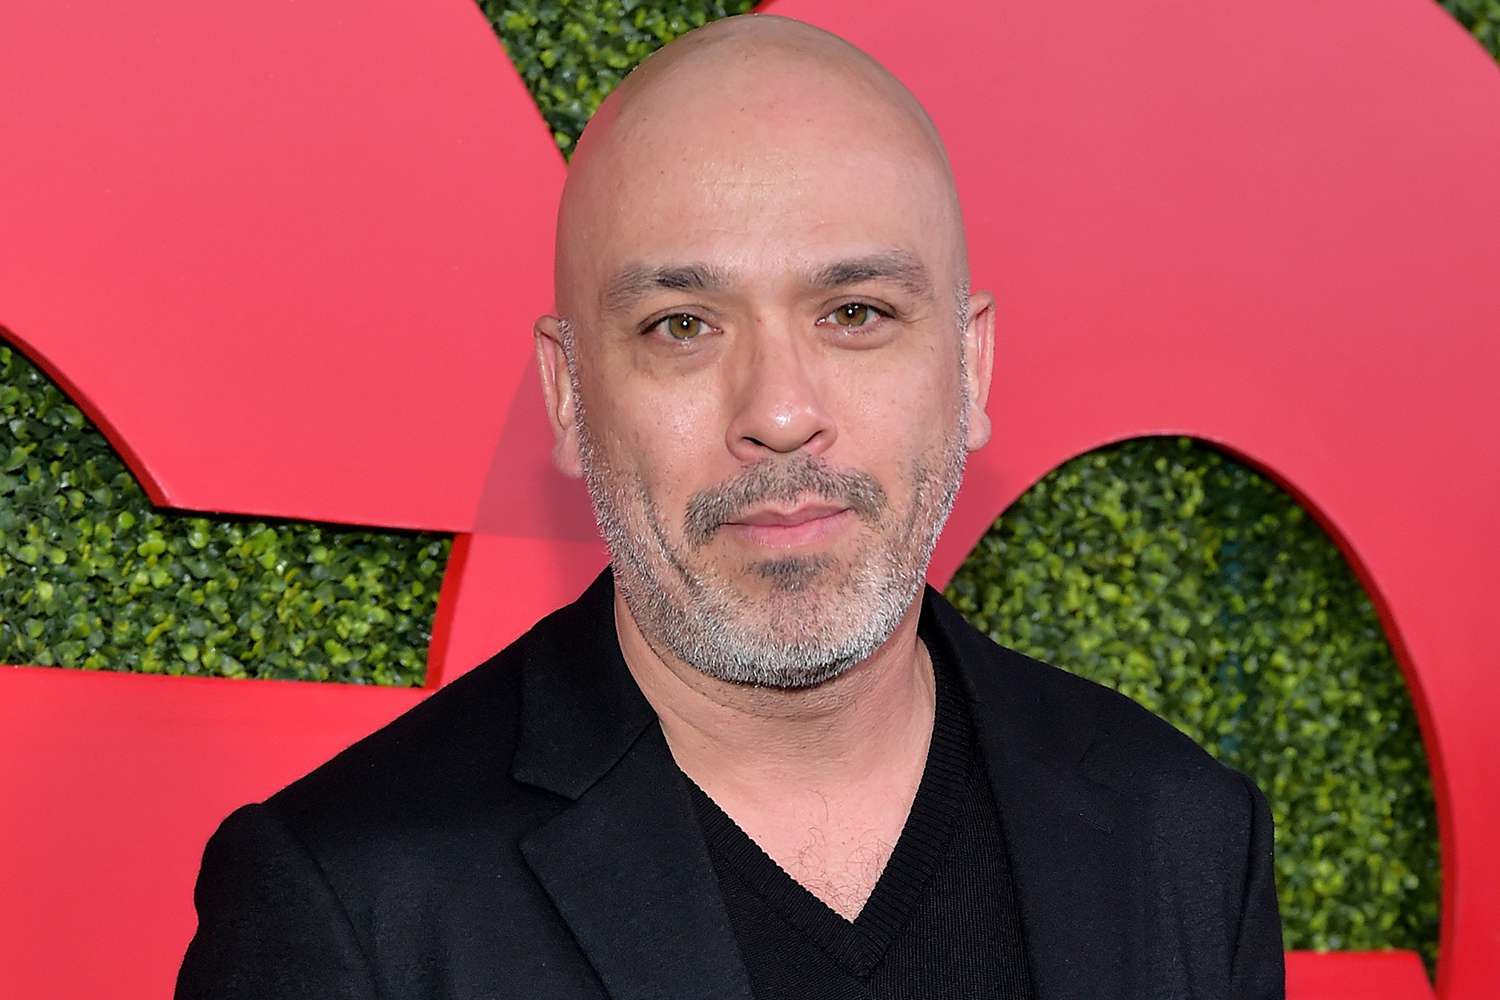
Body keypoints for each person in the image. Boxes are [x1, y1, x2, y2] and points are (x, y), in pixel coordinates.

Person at [177, 13, 1283, 999]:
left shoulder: (1183, 835)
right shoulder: (354, 899)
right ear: (567, 394)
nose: (781, 413)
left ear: (971, 366)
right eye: (682, 327)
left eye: (855, 313)